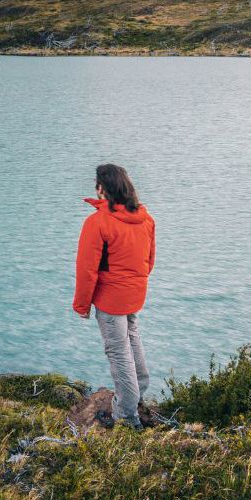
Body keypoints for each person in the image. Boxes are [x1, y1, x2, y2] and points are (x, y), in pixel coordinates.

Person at [72, 162, 156, 428]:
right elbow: (149, 261)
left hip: (111, 298)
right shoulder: (146, 218)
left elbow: (87, 270)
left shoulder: (98, 223)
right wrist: (134, 283)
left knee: (118, 351)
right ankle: (138, 393)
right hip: (135, 292)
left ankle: (127, 414)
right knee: (132, 339)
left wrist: (82, 305)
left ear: (102, 189)